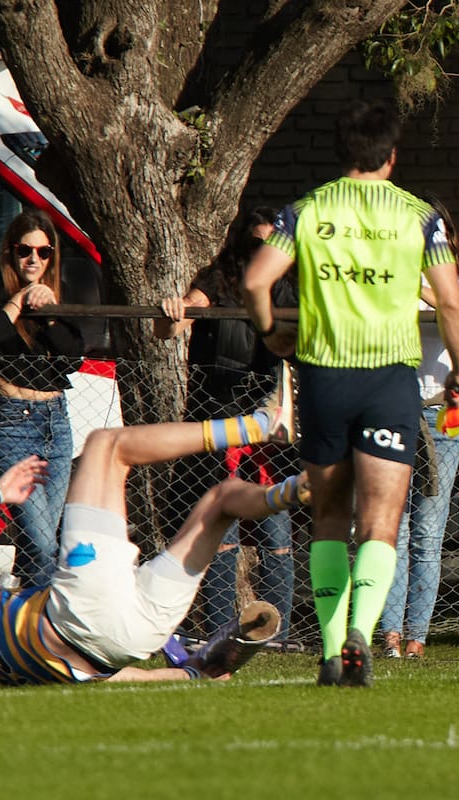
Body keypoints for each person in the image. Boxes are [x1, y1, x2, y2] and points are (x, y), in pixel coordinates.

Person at [242, 98, 459, 687]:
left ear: (341, 152)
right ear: (391, 156)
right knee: (382, 524)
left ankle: (328, 650)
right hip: (389, 381)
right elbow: (451, 301)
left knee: (328, 518)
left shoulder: (306, 210)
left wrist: (271, 333)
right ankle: (362, 638)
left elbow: (255, 280)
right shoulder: (419, 216)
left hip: (324, 377)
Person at [0, 405, 309, 686]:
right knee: (106, 445)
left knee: (223, 501)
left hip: (130, 642)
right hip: (80, 613)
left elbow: (101, 673)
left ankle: (294, 491)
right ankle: (259, 426)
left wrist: (189, 674)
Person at [156, 207, 297, 640]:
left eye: (274, 246)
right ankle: (218, 633)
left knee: (276, 535)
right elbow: (171, 327)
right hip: (218, 420)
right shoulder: (218, 281)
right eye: (256, 244)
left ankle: (276, 637)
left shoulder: (289, 289)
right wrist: (175, 310)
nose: (265, 253)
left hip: (266, 427)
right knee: (223, 533)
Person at [379, 206, 459, 660]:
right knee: (393, 529)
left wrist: (425, 289)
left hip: (443, 411)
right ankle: (389, 634)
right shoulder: (384, 265)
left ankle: (417, 636)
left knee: (428, 531)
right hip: (391, 408)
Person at [0, 209, 84, 587]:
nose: (34, 259)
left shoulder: (57, 293)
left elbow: (73, 358)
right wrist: (19, 300)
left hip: (57, 425)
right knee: (43, 542)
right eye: (25, 251)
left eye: (43, 252)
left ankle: (22, 612)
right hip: (14, 426)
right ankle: (43, 614)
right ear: (10, 251)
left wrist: (50, 314)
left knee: (39, 542)